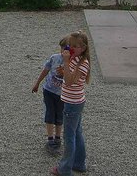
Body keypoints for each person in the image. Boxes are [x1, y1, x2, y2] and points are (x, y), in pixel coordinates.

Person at [50, 31, 91, 176]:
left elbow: (69, 82)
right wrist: (66, 63)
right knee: (77, 132)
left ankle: (65, 169)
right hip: (75, 101)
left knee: (69, 137)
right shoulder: (75, 59)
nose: (70, 49)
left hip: (73, 104)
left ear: (83, 48)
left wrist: (67, 63)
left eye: (75, 46)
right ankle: (79, 163)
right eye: (69, 46)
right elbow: (67, 76)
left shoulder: (83, 64)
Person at [32, 35, 70, 153]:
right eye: (62, 48)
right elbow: (46, 70)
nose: (64, 51)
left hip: (62, 94)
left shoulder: (72, 63)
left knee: (59, 115)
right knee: (49, 113)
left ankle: (58, 138)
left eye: (67, 48)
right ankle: (50, 139)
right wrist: (37, 83)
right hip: (49, 91)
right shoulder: (54, 58)